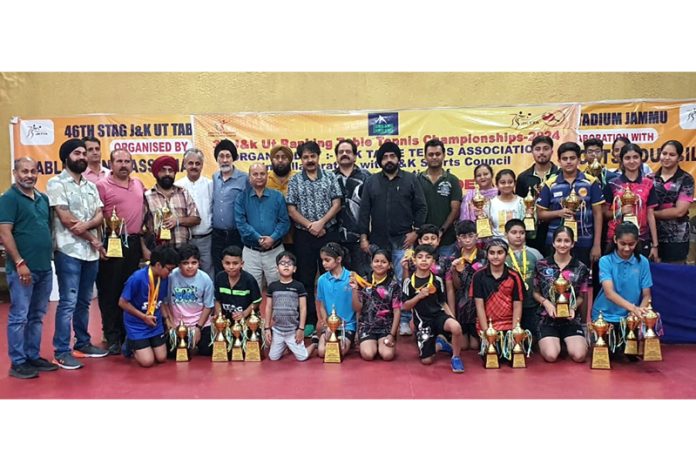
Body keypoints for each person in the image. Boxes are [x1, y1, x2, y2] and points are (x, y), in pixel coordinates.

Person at [47, 138, 109, 369]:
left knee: (84, 301)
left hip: (90, 254)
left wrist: (86, 226)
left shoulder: (91, 185)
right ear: (66, 158)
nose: (82, 157)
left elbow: (100, 215)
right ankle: (61, 351)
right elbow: (65, 218)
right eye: (77, 153)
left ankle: (83, 343)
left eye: (84, 153)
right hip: (68, 252)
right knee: (68, 302)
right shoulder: (56, 183)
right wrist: (92, 237)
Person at [358, 141, 427, 336]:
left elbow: (421, 207)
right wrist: (363, 237)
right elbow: (364, 212)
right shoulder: (371, 181)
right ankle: (381, 319)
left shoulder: (410, 179)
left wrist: (416, 232)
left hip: (403, 240)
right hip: (378, 242)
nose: (389, 160)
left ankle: (404, 320)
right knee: (379, 280)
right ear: (380, 161)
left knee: (402, 280)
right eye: (385, 157)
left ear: (398, 159)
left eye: (392, 156)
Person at [0, 157, 58, 379]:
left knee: (37, 315)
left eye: (33, 171)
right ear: (15, 173)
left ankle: (32, 355)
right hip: (22, 269)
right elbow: (5, 233)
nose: (29, 175)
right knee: (19, 316)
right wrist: (19, 262)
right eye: (24, 171)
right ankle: (18, 362)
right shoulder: (8, 199)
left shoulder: (42, 199)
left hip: (44, 267)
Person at [286, 141, 343, 336]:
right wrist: (310, 225)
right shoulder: (295, 181)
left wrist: (321, 223)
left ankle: (337, 318)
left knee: (332, 276)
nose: (309, 160)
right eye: (305, 157)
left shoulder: (330, 177)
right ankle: (309, 320)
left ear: (319, 157)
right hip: (304, 236)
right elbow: (291, 208)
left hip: (328, 233)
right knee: (306, 279)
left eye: (313, 156)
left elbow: (337, 203)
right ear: (300, 160)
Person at [95, 149, 146, 355]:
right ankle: (112, 336)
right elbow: (96, 217)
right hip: (112, 243)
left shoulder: (138, 184)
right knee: (110, 291)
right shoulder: (101, 186)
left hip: (133, 243)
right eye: (119, 161)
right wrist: (99, 245)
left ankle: (128, 335)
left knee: (130, 291)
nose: (123, 165)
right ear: (111, 163)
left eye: (127, 161)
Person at [537, 141, 605, 267]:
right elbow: (540, 214)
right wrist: (559, 213)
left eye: (572, 158)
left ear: (579, 159)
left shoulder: (591, 182)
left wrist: (596, 245)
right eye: (565, 159)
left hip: (585, 242)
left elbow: (598, 214)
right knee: (557, 281)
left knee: (583, 281)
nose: (568, 162)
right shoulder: (550, 184)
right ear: (559, 161)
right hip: (557, 243)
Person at [401, 244, 465, 373]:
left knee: (456, 327)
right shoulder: (408, 283)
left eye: (428, 257)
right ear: (414, 260)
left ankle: (456, 358)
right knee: (427, 361)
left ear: (433, 261)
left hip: (439, 316)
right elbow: (406, 306)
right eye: (420, 257)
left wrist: (452, 319)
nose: (424, 260)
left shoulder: (437, 280)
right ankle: (441, 344)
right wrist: (418, 296)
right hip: (423, 322)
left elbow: (443, 303)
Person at [591, 223, 653, 356]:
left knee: (632, 354)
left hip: (629, 317)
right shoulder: (605, 261)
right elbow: (609, 293)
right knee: (606, 354)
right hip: (605, 315)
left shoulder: (643, 262)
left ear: (637, 242)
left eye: (631, 244)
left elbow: (647, 295)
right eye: (622, 243)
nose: (626, 248)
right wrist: (633, 308)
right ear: (615, 240)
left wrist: (639, 313)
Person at [532, 226, 589, 363]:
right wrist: (546, 303)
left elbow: (582, 296)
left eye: (566, 241)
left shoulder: (581, 268)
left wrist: (573, 307)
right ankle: (553, 341)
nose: (562, 245)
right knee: (551, 356)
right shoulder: (542, 265)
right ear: (553, 243)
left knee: (579, 356)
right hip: (547, 319)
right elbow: (535, 292)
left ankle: (568, 340)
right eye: (559, 240)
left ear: (573, 243)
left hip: (570, 320)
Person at [119, 245, 180, 367]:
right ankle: (130, 343)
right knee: (147, 362)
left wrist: (167, 320)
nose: (170, 273)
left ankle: (146, 344)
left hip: (154, 323)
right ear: (158, 265)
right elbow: (122, 303)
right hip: (137, 324)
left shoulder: (164, 278)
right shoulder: (137, 278)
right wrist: (143, 317)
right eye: (169, 269)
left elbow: (160, 301)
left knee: (162, 358)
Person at [234, 163, 290, 291]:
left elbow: (284, 222)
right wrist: (259, 238)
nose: (259, 177)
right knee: (251, 291)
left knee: (279, 290)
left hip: (275, 250)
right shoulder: (241, 198)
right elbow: (241, 224)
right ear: (249, 177)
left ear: (267, 176)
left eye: (262, 174)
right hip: (251, 252)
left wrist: (272, 238)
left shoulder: (277, 197)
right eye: (255, 174)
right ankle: (256, 312)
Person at [603, 143, 659, 259]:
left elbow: (650, 214)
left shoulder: (648, 184)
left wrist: (655, 244)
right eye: (627, 158)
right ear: (621, 160)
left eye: (635, 157)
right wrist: (620, 211)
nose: (632, 161)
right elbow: (605, 214)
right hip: (616, 238)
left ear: (640, 159)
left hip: (641, 237)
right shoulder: (612, 184)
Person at [472, 238, 524, 362]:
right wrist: (486, 334)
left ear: (506, 255)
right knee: (493, 359)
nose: (496, 256)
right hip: (488, 326)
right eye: (492, 253)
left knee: (512, 358)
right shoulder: (478, 276)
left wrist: (514, 333)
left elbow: (517, 305)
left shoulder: (514, 276)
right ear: (487, 254)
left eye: (500, 253)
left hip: (508, 325)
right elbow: (479, 306)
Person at [264, 251, 316, 361]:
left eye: (289, 263)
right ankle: (285, 346)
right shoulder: (273, 286)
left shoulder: (299, 286)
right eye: (282, 263)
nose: (286, 265)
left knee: (302, 357)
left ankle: (314, 345)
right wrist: (267, 328)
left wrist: (301, 329)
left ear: (295, 269)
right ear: (277, 268)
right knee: (273, 357)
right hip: (277, 330)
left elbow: (303, 308)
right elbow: (268, 307)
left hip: (292, 330)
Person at [351, 248, 402, 361]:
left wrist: (392, 334)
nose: (379, 264)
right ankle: (370, 343)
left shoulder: (394, 285)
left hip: (386, 328)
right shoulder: (363, 282)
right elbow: (357, 308)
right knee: (368, 355)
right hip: (367, 327)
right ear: (371, 263)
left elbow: (397, 311)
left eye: (383, 262)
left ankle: (382, 343)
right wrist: (354, 290)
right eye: (376, 261)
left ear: (389, 265)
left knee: (387, 355)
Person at [164, 243, 215, 357]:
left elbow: (208, 306)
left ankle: (193, 346)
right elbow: (165, 302)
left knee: (209, 350)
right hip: (177, 324)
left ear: (199, 263)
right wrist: (170, 322)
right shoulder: (171, 276)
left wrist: (198, 328)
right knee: (171, 353)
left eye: (194, 263)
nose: (190, 266)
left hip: (200, 323)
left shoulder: (206, 279)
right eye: (185, 263)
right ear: (179, 264)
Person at [143, 155, 200, 251]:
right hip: (158, 251)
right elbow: (141, 228)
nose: (167, 174)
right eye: (163, 170)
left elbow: (196, 219)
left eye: (171, 170)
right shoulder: (147, 196)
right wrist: (145, 250)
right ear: (156, 173)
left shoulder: (183, 192)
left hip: (182, 250)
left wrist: (177, 221)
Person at [418, 139, 462, 257]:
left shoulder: (452, 180)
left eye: (437, 154)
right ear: (425, 157)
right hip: (423, 241)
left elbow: (455, 209)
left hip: (446, 240)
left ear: (443, 155)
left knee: (446, 274)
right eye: (431, 154)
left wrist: (441, 231)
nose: (434, 157)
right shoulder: (417, 180)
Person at [652, 140, 694, 264]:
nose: (666, 157)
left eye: (672, 155)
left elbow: (680, 211)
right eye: (664, 153)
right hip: (653, 237)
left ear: (679, 158)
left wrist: (651, 214)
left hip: (677, 239)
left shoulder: (686, 179)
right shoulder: (650, 178)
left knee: (674, 276)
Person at [333, 139, 371, 276]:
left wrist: (365, 237)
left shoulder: (367, 177)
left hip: (361, 239)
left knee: (362, 278)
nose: (344, 154)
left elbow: (371, 208)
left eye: (348, 151)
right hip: (335, 238)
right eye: (341, 152)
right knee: (339, 280)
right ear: (336, 156)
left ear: (355, 156)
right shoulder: (330, 178)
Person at [516, 137, 559, 256]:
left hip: (556, 226)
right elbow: (520, 206)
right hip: (531, 231)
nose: (541, 152)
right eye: (537, 149)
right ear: (532, 152)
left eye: (546, 149)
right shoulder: (523, 177)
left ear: (551, 151)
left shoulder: (560, 174)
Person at [175, 148, 214, 278]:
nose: (194, 166)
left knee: (208, 271)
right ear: (184, 164)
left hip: (205, 238)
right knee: (184, 272)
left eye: (197, 163)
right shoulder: (177, 186)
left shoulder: (210, 185)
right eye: (190, 163)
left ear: (202, 165)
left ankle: (209, 298)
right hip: (185, 239)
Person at [211, 139, 248, 275]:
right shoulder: (214, 178)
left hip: (236, 234)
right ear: (217, 159)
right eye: (221, 156)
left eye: (228, 156)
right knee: (219, 269)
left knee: (237, 270)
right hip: (217, 234)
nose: (225, 160)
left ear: (233, 158)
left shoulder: (245, 178)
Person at [315, 243, 357, 359]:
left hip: (348, 325)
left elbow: (358, 305)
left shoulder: (352, 277)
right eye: (322, 260)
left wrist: (359, 328)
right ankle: (317, 341)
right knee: (322, 352)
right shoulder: (322, 280)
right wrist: (325, 322)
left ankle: (350, 339)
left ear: (338, 259)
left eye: (327, 260)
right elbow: (322, 305)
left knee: (339, 352)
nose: (323, 263)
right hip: (331, 324)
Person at [402, 224, 455, 314]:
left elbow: (449, 289)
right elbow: (407, 286)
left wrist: (452, 314)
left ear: (438, 241)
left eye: (433, 238)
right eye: (426, 239)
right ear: (420, 241)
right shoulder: (413, 261)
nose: (430, 242)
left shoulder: (445, 261)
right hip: (418, 307)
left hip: (439, 305)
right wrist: (405, 269)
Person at [449, 220, 485, 351]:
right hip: (462, 306)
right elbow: (457, 286)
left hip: (478, 305)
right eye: (463, 237)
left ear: (477, 236)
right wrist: (454, 271)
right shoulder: (453, 258)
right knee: (463, 346)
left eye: (471, 236)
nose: (468, 240)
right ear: (458, 239)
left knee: (475, 346)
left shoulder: (484, 257)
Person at [504, 219, 543, 339]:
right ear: (506, 234)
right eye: (514, 232)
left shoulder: (535, 254)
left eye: (521, 232)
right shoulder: (501, 254)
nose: (518, 236)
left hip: (531, 303)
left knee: (533, 339)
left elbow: (542, 278)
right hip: (508, 305)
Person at [214, 245, 262, 323]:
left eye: (235, 263)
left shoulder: (249, 280)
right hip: (226, 320)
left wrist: (244, 313)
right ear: (222, 263)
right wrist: (219, 315)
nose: (231, 267)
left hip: (246, 321)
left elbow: (257, 301)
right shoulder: (219, 278)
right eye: (227, 263)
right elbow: (217, 300)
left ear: (242, 264)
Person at [267, 145, 297, 253]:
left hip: (296, 234)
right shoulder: (265, 179)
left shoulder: (297, 179)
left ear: (290, 160)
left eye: (284, 157)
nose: (280, 160)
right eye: (276, 157)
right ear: (271, 160)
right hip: (271, 235)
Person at [487, 169, 525, 237]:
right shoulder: (490, 204)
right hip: (497, 243)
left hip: (518, 242)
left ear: (515, 183)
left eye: (510, 182)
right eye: (503, 182)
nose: (507, 185)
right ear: (497, 185)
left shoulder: (522, 202)